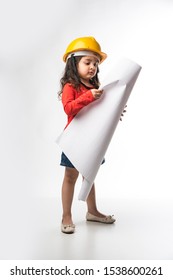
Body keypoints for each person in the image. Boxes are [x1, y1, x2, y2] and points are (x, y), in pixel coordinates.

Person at [58, 36, 117, 234]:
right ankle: (66, 215)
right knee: (70, 177)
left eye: (95, 63)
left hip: (92, 140)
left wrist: (115, 112)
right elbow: (69, 109)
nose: (92, 67)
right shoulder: (70, 87)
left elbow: (98, 114)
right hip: (74, 140)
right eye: (88, 62)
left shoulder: (95, 88)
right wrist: (87, 97)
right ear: (74, 64)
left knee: (89, 176)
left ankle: (92, 211)